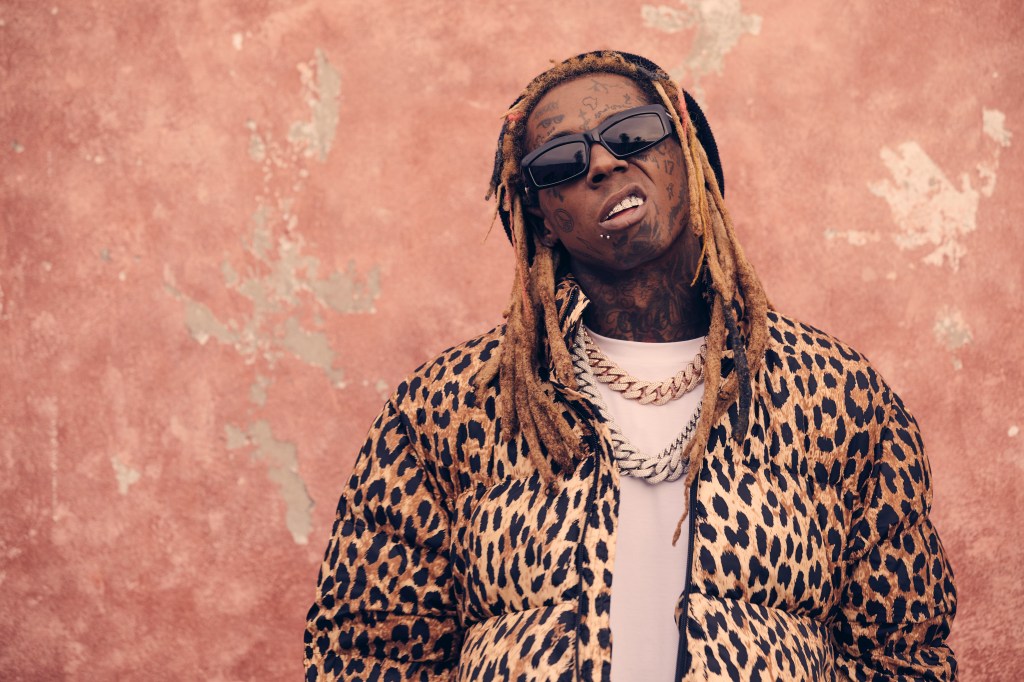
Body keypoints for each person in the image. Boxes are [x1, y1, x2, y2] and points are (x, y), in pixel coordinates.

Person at [304, 50, 957, 681]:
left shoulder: (837, 396)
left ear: (688, 156)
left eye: (634, 133)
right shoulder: (451, 405)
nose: (603, 163)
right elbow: (368, 651)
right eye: (560, 162)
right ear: (542, 217)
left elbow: (900, 655)